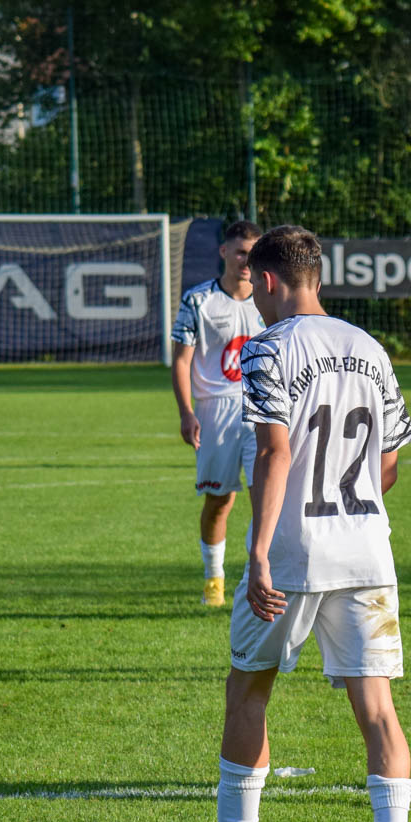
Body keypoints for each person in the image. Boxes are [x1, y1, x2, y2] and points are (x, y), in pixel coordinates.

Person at [172, 225, 411, 822]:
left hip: (293, 553)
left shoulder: (268, 347)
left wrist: (257, 551)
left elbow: (274, 451)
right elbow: (390, 464)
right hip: (367, 549)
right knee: (378, 708)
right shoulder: (370, 347)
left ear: (269, 281)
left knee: (248, 690)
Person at [170, 220, 264, 606]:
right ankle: (214, 581)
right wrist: (186, 412)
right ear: (224, 252)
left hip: (261, 411)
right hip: (215, 413)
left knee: (266, 499)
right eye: (240, 252)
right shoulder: (198, 300)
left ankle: (259, 577)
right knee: (219, 501)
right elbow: (181, 360)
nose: (246, 261)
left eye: (253, 254)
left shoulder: (270, 298)